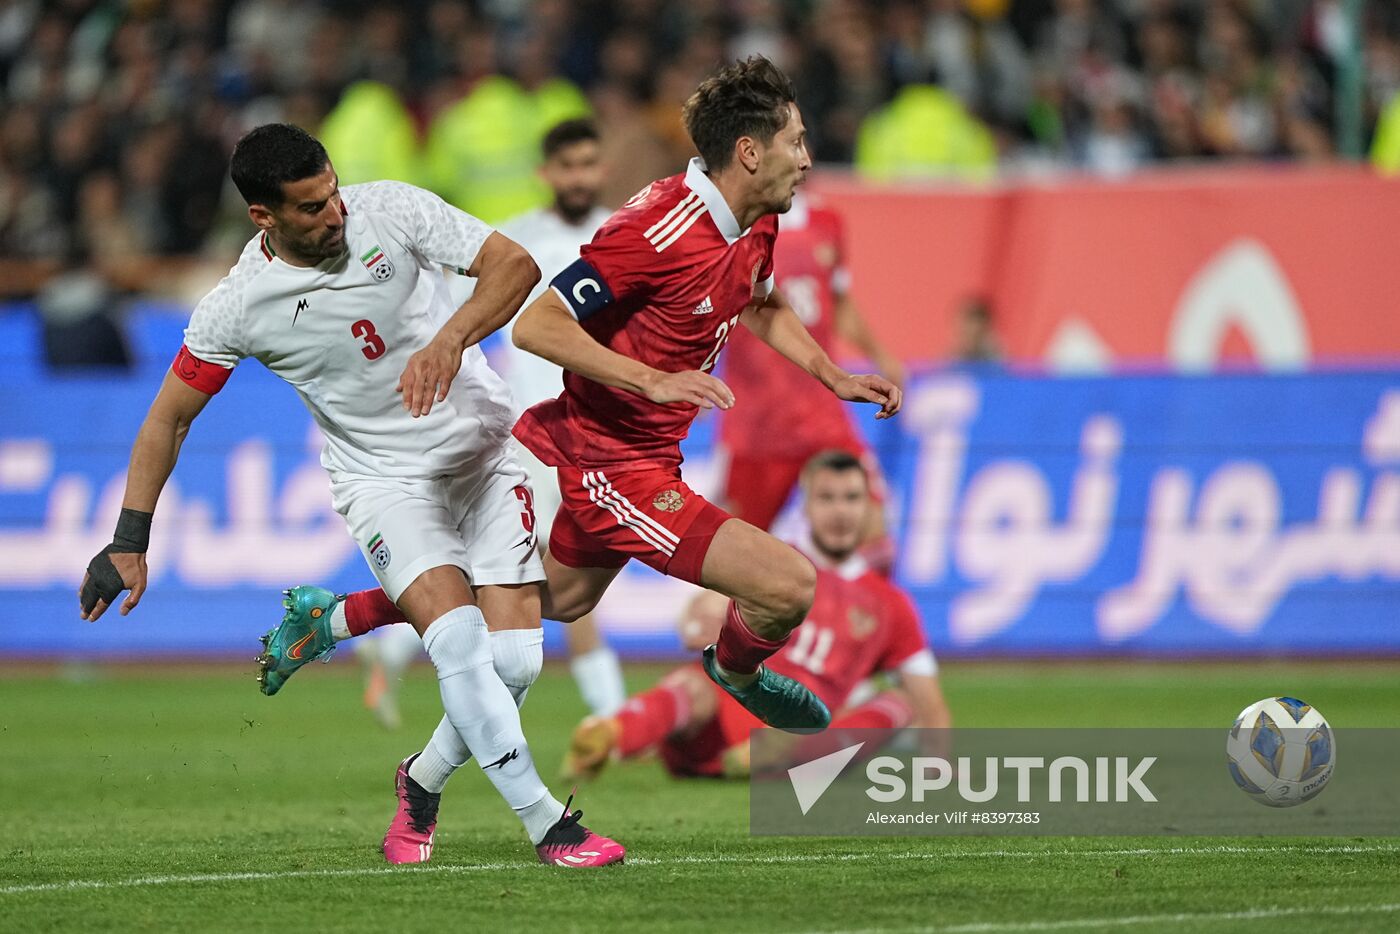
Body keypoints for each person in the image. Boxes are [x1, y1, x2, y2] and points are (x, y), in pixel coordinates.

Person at [76, 124, 622, 869]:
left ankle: (420, 779)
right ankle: (551, 826)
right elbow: (168, 418)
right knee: (459, 643)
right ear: (263, 218)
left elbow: (513, 266)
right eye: (309, 208)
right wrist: (128, 540)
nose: (334, 215)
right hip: (384, 481)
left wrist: (451, 338)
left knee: (518, 664)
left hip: (484, 453)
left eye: (331, 194)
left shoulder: (391, 210)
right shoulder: (239, 306)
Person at [509, 56, 901, 732]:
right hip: (611, 460)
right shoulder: (654, 230)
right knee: (788, 585)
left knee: (559, 598)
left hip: (654, 452)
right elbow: (536, 324)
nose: (807, 159)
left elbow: (761, 302)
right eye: (796, 142)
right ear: (749, 152)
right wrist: (651, 379)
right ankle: (735, 669)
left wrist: (832, 374)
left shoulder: (758, 219)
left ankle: (356, 610)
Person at [342, 118, 628, 729]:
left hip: (599, 430)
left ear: (602, 168)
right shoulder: (516, 242)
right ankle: (611, 715)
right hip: (532, 437)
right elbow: (448, 313)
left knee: (534, 582)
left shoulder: (622, 234)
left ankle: (384, 638)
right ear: (545, 173)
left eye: (589, 164)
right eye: (568, 166)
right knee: (547, 579)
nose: (580, 177)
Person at [563, 450, 951, 780]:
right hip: (724, 724)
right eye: (827, 498)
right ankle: (611, 735)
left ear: (868, 507)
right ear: (807, 503)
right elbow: (698, 617)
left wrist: (940, 770)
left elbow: (928, 703)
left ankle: (787, 752)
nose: (840, 512)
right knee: (693, 685)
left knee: (902, 704)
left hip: (802, 733)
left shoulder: (891, 605)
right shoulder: (773, 563)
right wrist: (702, 618)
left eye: (851, 498)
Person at [716, 189, 903, 568]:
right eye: (792, 143)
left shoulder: (826, 220)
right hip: (758, 427)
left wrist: (879, 353)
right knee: (736, 564)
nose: (802, 157)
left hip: (822, 415)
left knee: (876, 541)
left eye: (802, 141)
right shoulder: (728, 222)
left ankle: (865, 625)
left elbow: (838, 302)